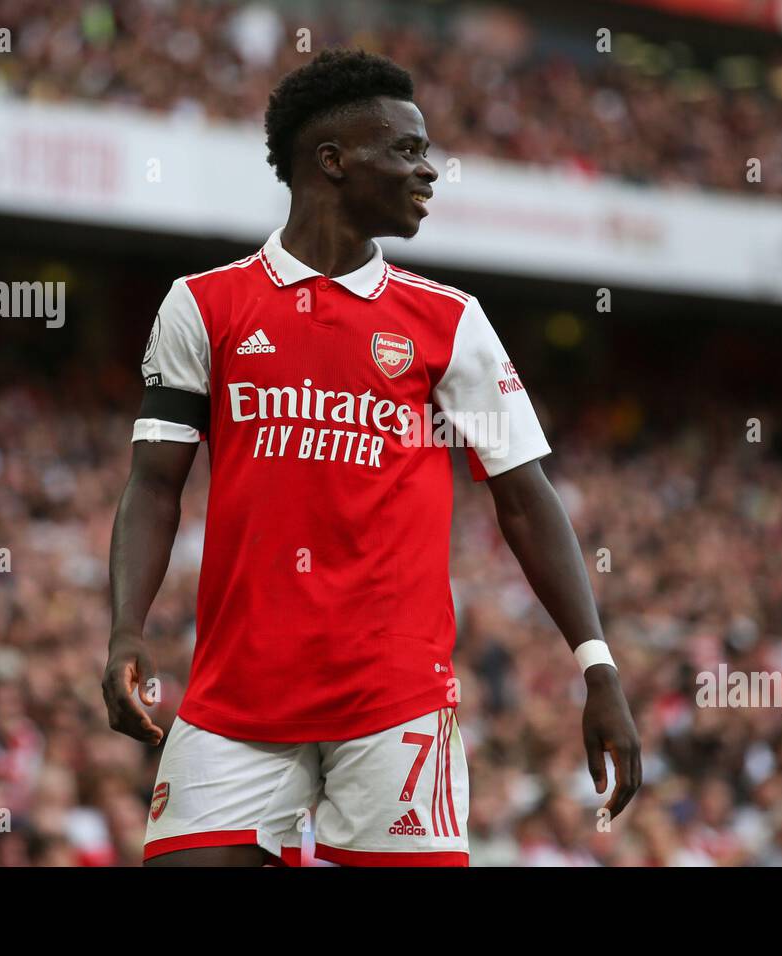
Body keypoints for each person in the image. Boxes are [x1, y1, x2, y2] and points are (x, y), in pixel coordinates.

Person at [101, 47, 641, 866]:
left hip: (397, 704)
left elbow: (526, 499)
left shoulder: (449, 322)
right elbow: (152, 486)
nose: (428, 171)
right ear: (333, 162)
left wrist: (596, 665)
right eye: (408, 151)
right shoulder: (203, 306)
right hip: (234, 697)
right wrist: (124, 632)